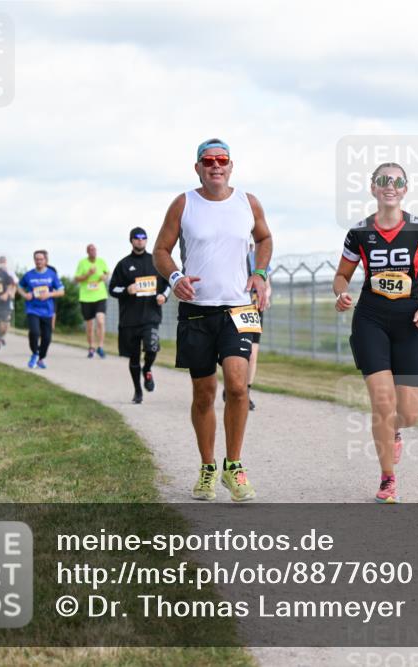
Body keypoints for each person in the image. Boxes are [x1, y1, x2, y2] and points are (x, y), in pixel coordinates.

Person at [153, 138, 272, 502]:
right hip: (197, 310)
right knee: (203, 394)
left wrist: (261, 273)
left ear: (231, 166)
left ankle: (233, 466)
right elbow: (161, 250)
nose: (215, 166)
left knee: (237, 386)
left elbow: (264, 238)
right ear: (198, 168)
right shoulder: (184, 203)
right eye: (208, 161)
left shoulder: (247, 202)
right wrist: (175, 278)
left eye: (222, 160)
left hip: (238, 308)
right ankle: (207, 467)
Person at [332, 162, 418, 503]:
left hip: (410, 323)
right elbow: (341, 275)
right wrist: (341, 292)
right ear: (372, 187)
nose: (390, 186)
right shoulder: (358, 233)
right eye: (383, 180)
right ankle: (388, 479)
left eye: (396, 181)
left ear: (404, 189)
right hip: (370, 321)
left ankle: (396, 429)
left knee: (410, 413)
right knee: (382, 403)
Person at [109, 228, 170, 403]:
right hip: (129, 319)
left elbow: (167, 284)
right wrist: (127, 290)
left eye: (144, 238)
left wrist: (163, 296)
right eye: (137, 238)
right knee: (134, 358)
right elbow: (112, 288)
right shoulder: (123, 264)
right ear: (131, 240)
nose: (140, 241)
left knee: (151, 347)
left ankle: (148, 369)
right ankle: (138, 391)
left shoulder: (155, 262)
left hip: (151, 316)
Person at [223, 241, 272, 411]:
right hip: (236, 307)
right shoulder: (231, 255)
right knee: (232, 352)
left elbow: (267, 284)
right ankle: (231, 384)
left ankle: (246, 391)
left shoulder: (259, 258)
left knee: (252, 354)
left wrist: (265, 296)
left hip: (253, 309)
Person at [17, 250, 65, 369]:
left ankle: (41, 358)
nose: (39, 261)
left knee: (47, 338)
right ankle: (34, 353)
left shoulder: (51, 275)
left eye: (41, 259)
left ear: (45, 261)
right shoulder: (28, 275)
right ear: (34, 260)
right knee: (34, 332)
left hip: (47, 311)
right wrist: (25, 295)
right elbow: (19, 287)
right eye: (37, 259)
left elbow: (61, 291)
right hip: (32, 309)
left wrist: (49, 295)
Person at [75, 243, 110, 358]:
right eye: (90, 250)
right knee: (89, 325)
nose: (93, 251)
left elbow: (107, 273)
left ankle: (100, 347)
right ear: (87, 252)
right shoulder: (82, 263)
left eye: (94, 249)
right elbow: (77, 279)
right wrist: (88, 274)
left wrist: (104, 277)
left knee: (100, 321)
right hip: (86, 297)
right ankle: (91, 347)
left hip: (100, 296)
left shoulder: (101, 261)